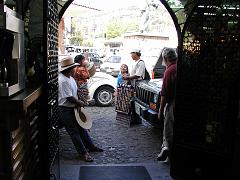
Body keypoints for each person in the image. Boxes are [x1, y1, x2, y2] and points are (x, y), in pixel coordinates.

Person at [58, 56, 103, 162]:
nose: (75, 69)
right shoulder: (63, 80)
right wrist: (79, 102)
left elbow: (74, 93)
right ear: (69, 69)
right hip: (65, 109)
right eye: (73, 67)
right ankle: (83, 153)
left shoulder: (69, 78)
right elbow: (69, 97)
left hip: (72, 108)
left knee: (81, 128)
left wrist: (79, 103)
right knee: (74, 132)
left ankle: (90, 146)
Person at [157, 48, 177, 162]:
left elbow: (164, 94)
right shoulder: (180, 67)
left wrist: (160, 111)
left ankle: (168, 154)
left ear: (165, 58)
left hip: (173, 104)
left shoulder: (169, 71)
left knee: (169, 130)